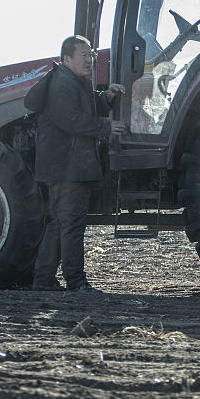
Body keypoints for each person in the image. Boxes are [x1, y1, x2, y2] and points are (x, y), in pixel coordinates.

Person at [24, 35, 125, 292]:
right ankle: (76, 282)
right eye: (84, 55)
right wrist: (106, 126)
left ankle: (44, 279)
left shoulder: (74, 82)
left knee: (60, 223)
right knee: (71, 224)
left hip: (67, 166)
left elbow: (86, 107)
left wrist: (106, 98)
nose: (90, 60)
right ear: (66, 59)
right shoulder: (62, 84)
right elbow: (72, 120)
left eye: (91, 55)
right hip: (66, 168)